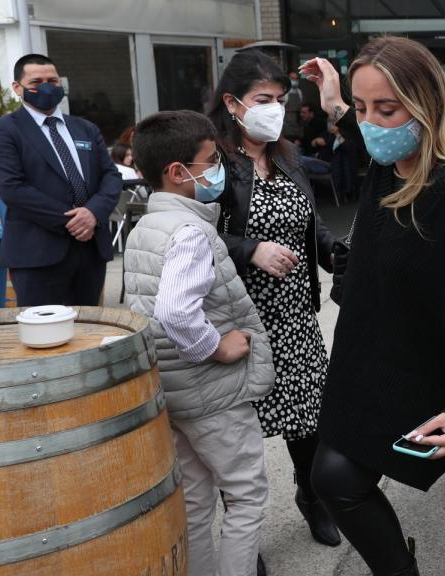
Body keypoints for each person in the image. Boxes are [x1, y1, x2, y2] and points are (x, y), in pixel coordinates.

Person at [304, 37, 445, 576]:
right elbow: (359, 128)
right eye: (362, 110)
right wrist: (336, 99)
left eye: (387, 109)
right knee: (335, 477)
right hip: (405, 362)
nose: (371, 124)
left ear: (427, 102)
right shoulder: (391, 163)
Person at [125, 110, 275, 576]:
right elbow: (174, 310)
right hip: (212, 396)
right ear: (178, 173)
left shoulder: (146, 226)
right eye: (211, 161)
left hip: (175, 393)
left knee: (194, 500)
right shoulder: (190, 232)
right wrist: (217, 347)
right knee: (246, 496)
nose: (218, 170)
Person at [205, 48, 341, 551]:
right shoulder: (213, 162)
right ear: (233, 103)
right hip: (240, 317)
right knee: (240, 436)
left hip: (294, 314)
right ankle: (243, 537)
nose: (275, 109)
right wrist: (251, 250)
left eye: (280, 99)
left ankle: (311, 497)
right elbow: (197, 238)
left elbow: (310, 224)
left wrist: (334, 252)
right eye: (264, 99)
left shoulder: (285, 155)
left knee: (308, 422)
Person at [0, 53, 122, 306]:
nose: (46, 87)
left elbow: (111, 175)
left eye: (53, 80)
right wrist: (73, 221)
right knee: (45, 336)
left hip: (90, 250)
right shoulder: (3, 131)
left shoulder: (85, 128)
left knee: (89, 331)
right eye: (36, 82)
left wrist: (92, 213)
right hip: (38, 253)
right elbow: (12, 188)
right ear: (17, 88)